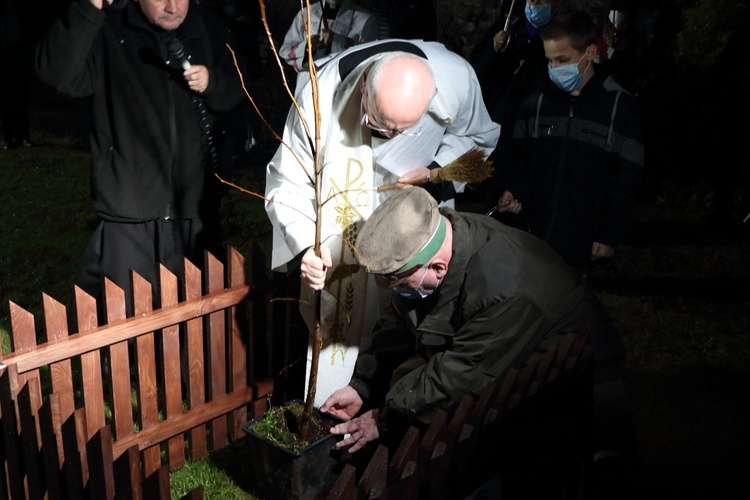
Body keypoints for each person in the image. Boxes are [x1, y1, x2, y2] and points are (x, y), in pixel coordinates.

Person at [319, 187, 638, 496]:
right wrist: (362, 385)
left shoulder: (504, 288)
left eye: (401, 285)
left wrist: (383, 419)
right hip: (516, 359)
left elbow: (455, 376)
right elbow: (400, 320)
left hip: (582, 375)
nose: (397, 292)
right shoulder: (439, 236)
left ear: (438, 268)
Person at [265, 39, 500, 406]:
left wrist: (437, 173)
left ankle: (393, 400)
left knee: (407, 317)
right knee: (338, 318)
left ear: (433, 95)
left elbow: (478, 137)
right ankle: (331, 403)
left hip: (408, 216)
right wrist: (304, 249)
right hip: (337, 219)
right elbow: (286, 181)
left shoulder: (457, 80)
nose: (386, 135)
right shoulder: (320, 96)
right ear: (363, 87)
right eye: (377, 123)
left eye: (399, 130)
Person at [34, 0, 245, 315]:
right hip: (128, 219)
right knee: (126, 338)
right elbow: (58, 74)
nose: (172, 7)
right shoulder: (108, 28)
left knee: (195, 334)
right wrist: (89, 9)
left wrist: (213, 83)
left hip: (194, 213)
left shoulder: (208, 28)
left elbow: (239, 95)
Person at [494, 9, 644, 273]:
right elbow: (519, 159)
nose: (554, 69)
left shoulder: (619, 107)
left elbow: (627, 179)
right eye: (549, 61)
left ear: (589, 53)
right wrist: (512, 190)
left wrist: (609, 234)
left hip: (583, 242)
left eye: (562, 60)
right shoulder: (536, 104)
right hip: (534, 235)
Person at [469, 0, 568, 211]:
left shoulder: (562, 35)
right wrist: (493, 51)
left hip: (540, 128)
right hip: (503, 129)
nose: (536, 4)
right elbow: (478, 77)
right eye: (532, 0)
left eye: (542, 0)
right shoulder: (507, 29)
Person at [279, 0, 378, 75]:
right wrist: (308, 47)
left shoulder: (364, 19)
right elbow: (286, 50)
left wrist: (336, 42)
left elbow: (369, 59)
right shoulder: (306, 14)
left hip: (341, 89)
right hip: (307, 88)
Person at [0, 0, 34, 149]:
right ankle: (6, 137)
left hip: (18, 45)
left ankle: (22, 136)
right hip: (3, 47)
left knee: (20, 93)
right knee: (4, 95)